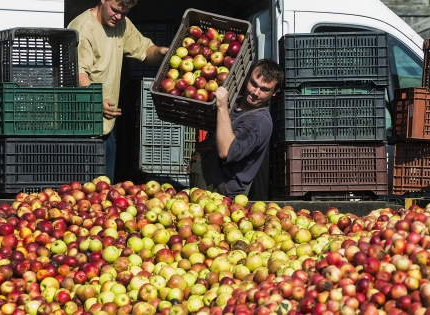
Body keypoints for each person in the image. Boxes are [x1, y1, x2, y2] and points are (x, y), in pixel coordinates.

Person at [68, 0, 169, 183]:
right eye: (115, 10)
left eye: (125, 12)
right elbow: (78, 73)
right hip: (82, 124)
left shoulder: (121, 24)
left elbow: (145, 50)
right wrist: (97, 100)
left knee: (106, 193)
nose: (119, 16)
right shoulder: (83, 28)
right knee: (84, 191)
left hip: (106, 123)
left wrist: (162, 52)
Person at [189, 58, 284, 198]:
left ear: (274, 92)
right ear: (247, 79)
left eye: (264, 90)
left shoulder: (259, 121)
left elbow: (227, 152)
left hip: (221, 194)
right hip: (205, 181)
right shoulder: (235, 101)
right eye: (253, 84)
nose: (256, 92)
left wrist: (222, 108)